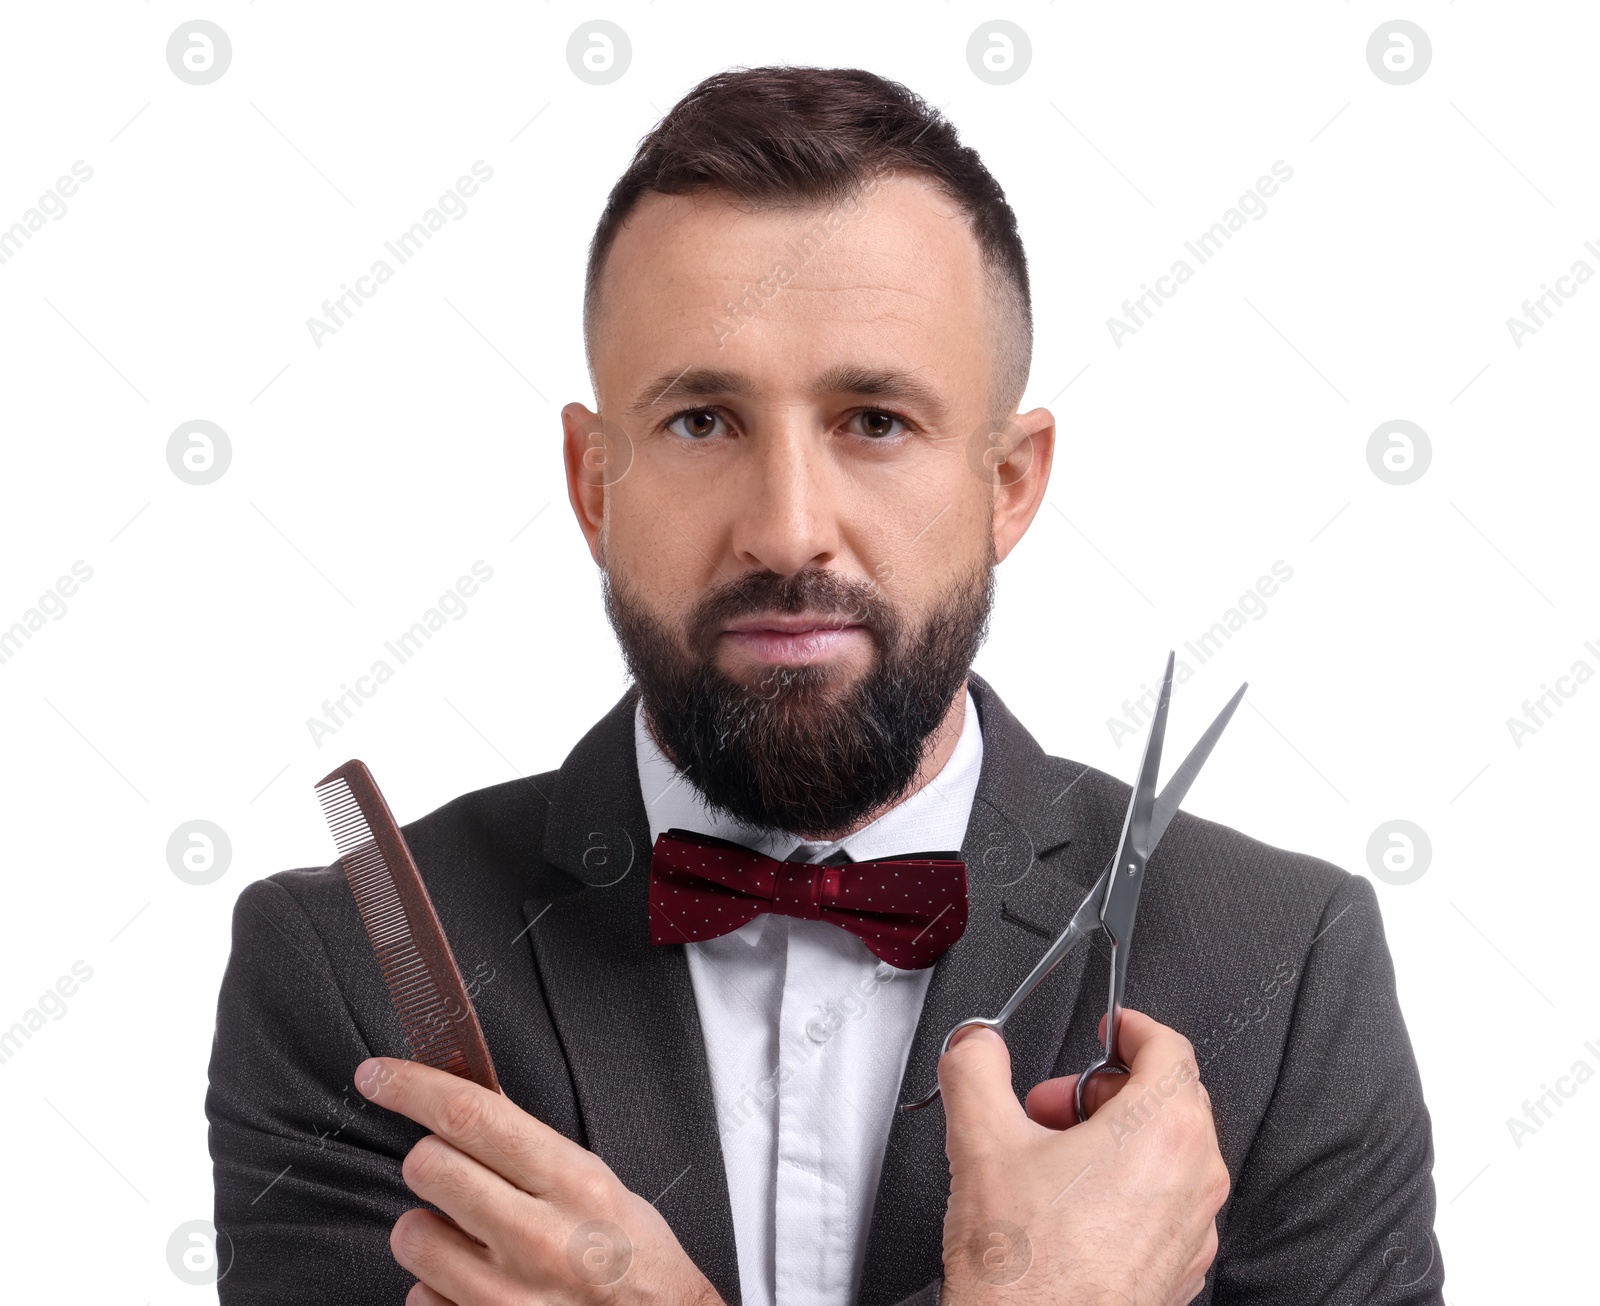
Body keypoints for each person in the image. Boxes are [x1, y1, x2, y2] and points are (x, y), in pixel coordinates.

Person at [207, 66, 1444, 1305]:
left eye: (873, 420)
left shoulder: (1282, 966)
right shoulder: (343, 966)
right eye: (701, 420)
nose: (788, 530)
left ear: (1009, 481)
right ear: (594, 483)